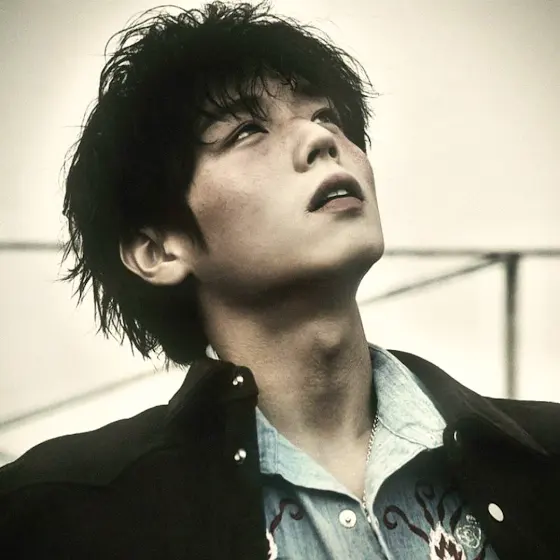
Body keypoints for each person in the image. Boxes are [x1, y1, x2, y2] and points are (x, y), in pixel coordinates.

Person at [0, 2, 559, 558]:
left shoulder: (546, 458)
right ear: (158, 250)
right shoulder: (56, 517)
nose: (321, 139)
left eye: (327, 116)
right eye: (247, 131)